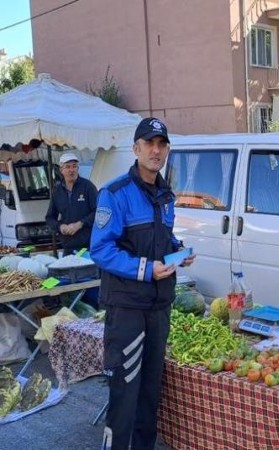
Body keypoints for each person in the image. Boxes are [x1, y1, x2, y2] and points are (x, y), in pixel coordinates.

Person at [90, 117, 195, 450]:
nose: (156, 150)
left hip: (159, 309)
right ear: (136, 149)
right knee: (125, 397)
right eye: (149, 144)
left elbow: (161, 238)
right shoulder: (115, 193)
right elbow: (101, 249)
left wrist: (177, 251)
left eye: (161, 144)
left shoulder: (166, 195)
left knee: (150, 395)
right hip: (127, 311)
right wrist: (146, 269)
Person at [45, 152, 98, 255]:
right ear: (61, 170)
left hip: (88, 246)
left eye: (74, 166)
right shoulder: (57, 191)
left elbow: (98, 212)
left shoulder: (88, 187)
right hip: (68, 246)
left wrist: (80, 224)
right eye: (67, 167)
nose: (71, 170)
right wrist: (60, 227)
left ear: (78, 168)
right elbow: (49, 218)